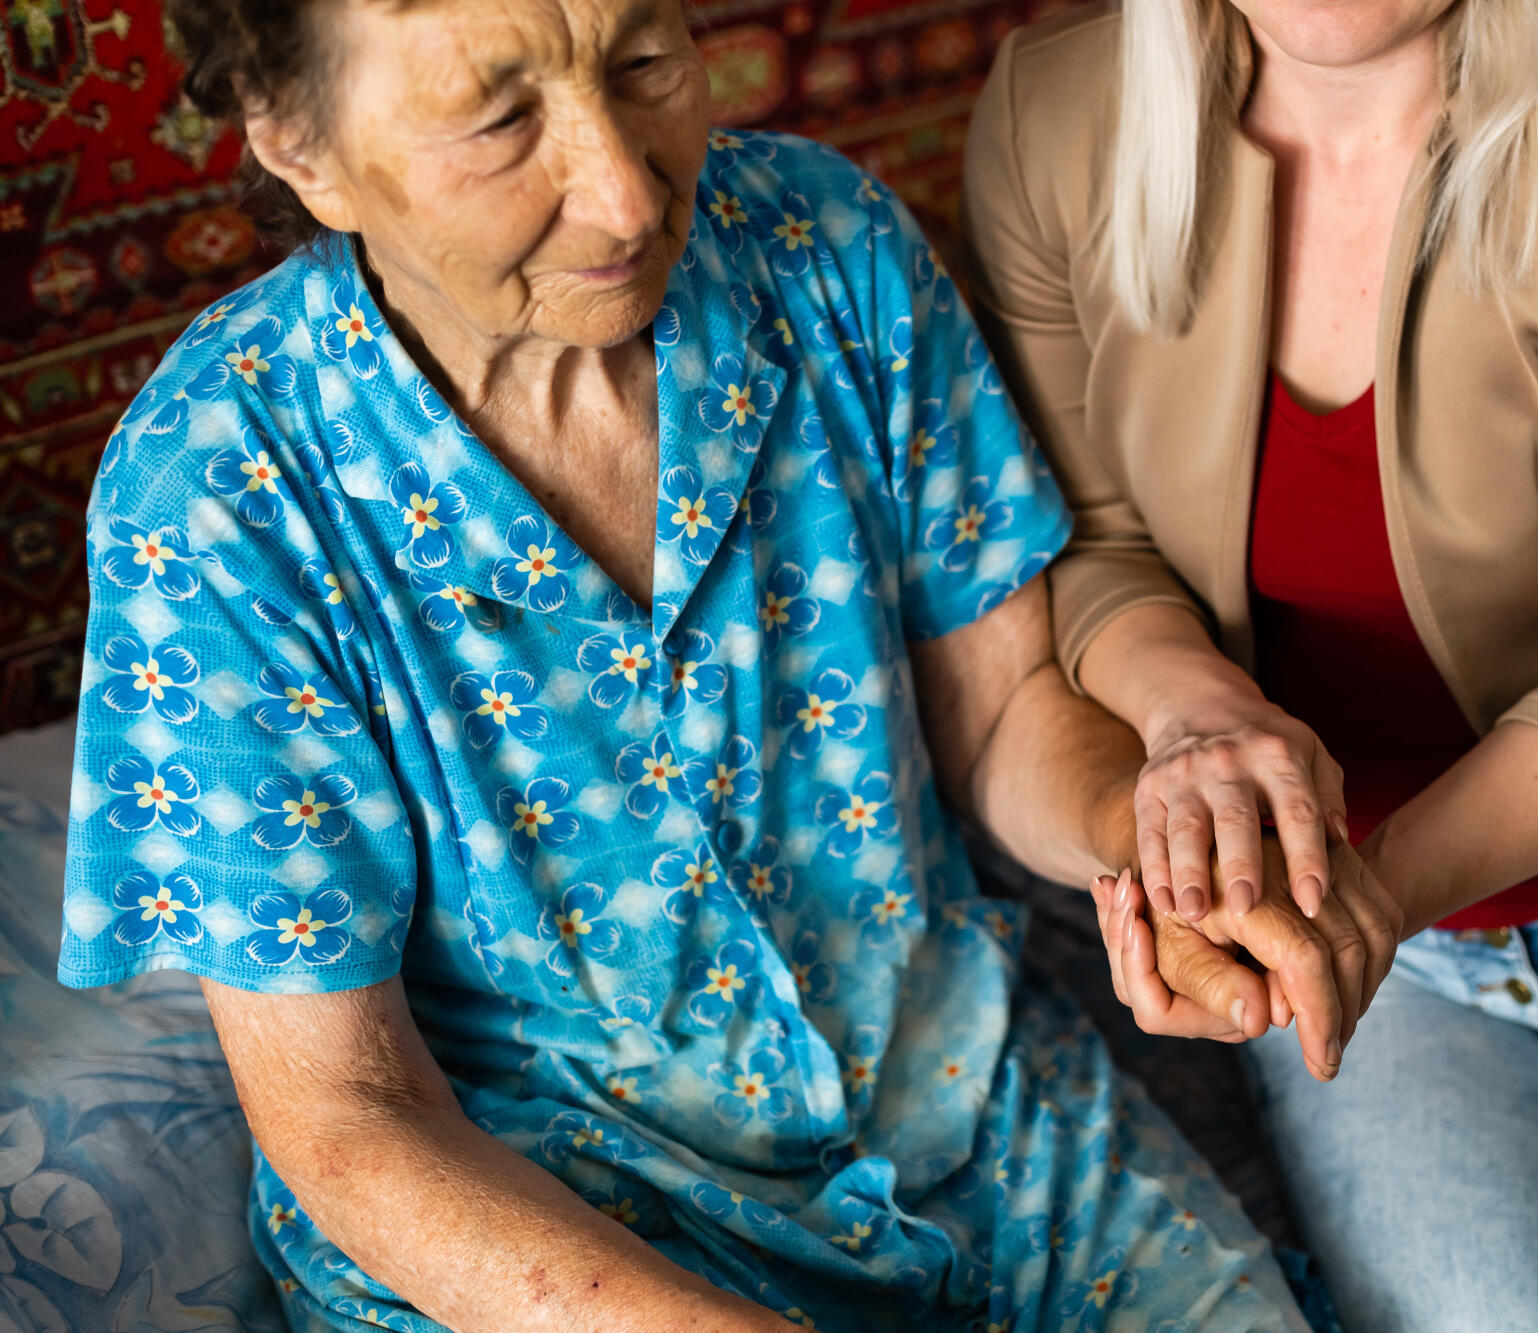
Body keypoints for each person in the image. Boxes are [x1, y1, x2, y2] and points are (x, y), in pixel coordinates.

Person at [56, 1, 1337, 1328]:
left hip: (968, 1112)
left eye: (647, 65)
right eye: (502, 123)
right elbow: (349, 1116)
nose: (624, 196)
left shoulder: (823, 245)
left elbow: (1004, 707)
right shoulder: (216, 489)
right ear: (298, 145)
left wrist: (1151, 839)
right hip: (559, 1233)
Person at [961, 1, 1538, 1329]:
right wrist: (1204, 719)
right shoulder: (1053, 114)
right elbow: (1100, 541)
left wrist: (1359, 904)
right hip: (1392, 976)